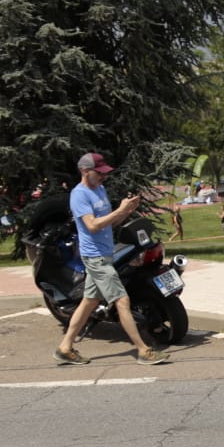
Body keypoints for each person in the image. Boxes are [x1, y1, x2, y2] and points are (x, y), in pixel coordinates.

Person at [53, 152, 170, 366]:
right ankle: (143, 350)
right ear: (85, 171)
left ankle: (65, 348)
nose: (103, 176)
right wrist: (120, 210)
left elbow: (109, 223)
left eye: (104, 173)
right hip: (95, 256)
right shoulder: (79, 195)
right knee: (122, 301)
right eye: (99, 173)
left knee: (90, 301)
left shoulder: (99, 189)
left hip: (105, 253)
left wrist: (127, 211)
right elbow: (92, 225)